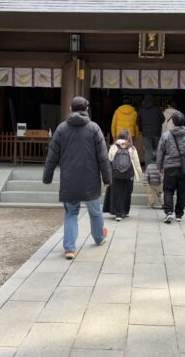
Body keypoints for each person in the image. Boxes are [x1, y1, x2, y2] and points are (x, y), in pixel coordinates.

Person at [43, 96, 110, 259]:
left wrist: (47, 176)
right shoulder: (94, 128)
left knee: (71, 213)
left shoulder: (61, 129)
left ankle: (69, 248)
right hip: (90, 179)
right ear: (87, 109)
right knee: (95, 211)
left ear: (71, 109)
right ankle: (99, 238)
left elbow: (52, 155)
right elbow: (102, 156)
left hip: (69, 178)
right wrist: (107, 178)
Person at [156, 111, 185, 223]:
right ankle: (179, 214)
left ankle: (168, 212)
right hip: (184, 168)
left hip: (170, 167)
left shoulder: (166, 135)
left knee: (168, 190)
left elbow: (160, 151)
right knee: (182, 192)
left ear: (172, 122)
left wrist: (159, 165)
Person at [103, 129, 142, 221]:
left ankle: (118, 214)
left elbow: (110, 159)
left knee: (116, 193)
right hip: (128, 174)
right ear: (129, 137)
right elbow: (136, 163)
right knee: (126, 192)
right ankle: (124, 211)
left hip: (115, 174)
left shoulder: (113, 147)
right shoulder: (132, 148)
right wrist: (139, 175)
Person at [137, 94, 164, 166]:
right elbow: (163, 119)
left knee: (148, 150)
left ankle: (148, 168)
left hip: (146, 133)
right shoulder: (157, 109)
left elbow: (137, 122)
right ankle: (157, 167)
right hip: (156, 133)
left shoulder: (141, 110)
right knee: (157, 149)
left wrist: (142, 127)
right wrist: (157, 124)